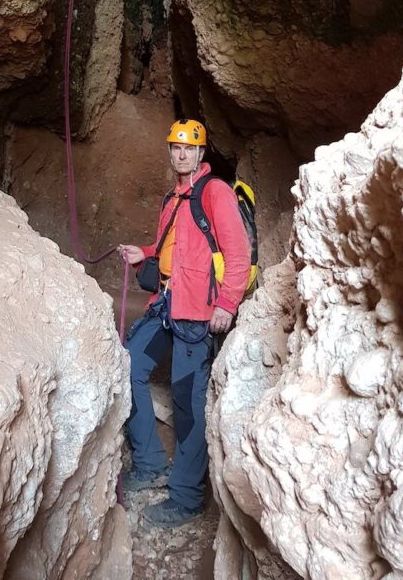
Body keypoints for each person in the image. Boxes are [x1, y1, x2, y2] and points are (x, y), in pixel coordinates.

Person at [117, 118, 251, 527]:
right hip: (167, 303)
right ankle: (151, 462)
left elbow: (239, 252)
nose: (181, 154)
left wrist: (227, 303)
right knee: (128, 365)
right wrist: (144, 253)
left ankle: (187, 496)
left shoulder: (215, 193)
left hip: (198, 314)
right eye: (175, 147)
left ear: (201, 153)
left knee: (188, 405)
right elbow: (169, 247)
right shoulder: (173, 198)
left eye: (189, 148)